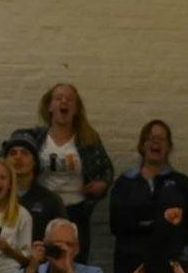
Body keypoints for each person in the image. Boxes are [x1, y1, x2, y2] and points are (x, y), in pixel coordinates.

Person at [11, 83, 114, 255]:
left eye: (69, 99)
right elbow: (8, 154)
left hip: (76, 210)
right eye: (58, 98)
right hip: (43, 208)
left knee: (75, 261)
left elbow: (107, 171)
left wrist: (101, 185)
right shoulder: (37, 138)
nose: (64, 102)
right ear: (50, 106)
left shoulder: (88, 139)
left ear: (76, 108)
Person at [109, 119, 188, 273]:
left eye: (161, 139)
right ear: (142, 145)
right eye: (150, 138)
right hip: (131, 265)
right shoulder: (125, 182)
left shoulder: (181, 183)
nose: (155, 142)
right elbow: (116, 224)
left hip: (170, 265)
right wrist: (160, 220)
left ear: (169, 147)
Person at [3, 133, 66, 241]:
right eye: (13, 153)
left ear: (35, 162)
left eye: (25, 153)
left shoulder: (51, 200)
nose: (18, 157)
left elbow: (62, 238)